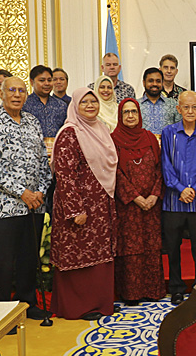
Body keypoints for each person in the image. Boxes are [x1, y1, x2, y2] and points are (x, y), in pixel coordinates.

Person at [0, 77, 51, 320]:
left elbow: (43, 160)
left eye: (22, 90)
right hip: (5, 206)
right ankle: (2, 314)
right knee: (2, 262)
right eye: (12, 90)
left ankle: (27, 304)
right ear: (1, 93)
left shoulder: (32, 121)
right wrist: (22, 193)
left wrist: (40, 190)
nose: (18, 94)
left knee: (29, 258)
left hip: (34, 206)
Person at [50, 87, 120, 320]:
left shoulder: (100, 129)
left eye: (94, 101)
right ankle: (79, 306)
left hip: (100, 205)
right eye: (85, 102)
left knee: (99, 254)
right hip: (79, 208)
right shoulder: (70, 133)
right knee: (79, 255)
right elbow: (65, 174)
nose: (90, 106)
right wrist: (75, 209)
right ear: (75, 106)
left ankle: (100, 302)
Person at [161, 91, 196, 305]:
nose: (190, 111)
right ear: (178, 109)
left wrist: (193, 189)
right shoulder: (168, 133)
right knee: (173, 248)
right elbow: (166, 166)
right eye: (186, 107)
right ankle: (176, 288)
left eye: (194, 107)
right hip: (173, 202)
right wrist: (180, 188)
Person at [113, 98, 165, 305]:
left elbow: (161, 168)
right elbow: (114, 172)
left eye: (134, 111)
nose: (130, 116)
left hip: (152, 204)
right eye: (126, 112)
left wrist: (154, 195)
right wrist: (135, 198)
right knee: (131, 248)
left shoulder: (150, 137)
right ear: (120, 115)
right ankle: (132, 294)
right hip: (128, 206)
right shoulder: (113, 139)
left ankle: (153, 290)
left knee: (151, 245)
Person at [23, 65, 69, 156]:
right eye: (42, 80)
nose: (47, 83)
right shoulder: (24, 104)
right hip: (32, 154)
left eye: (49, 80)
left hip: (57, 154)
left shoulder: (61, 105)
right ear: (32, 82)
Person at [139, 67, 181, 134]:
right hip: (143, 144)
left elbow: (180, 129)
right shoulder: (136, 105)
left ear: (162, 83)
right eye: (151, 81)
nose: (155, 84)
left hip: (168, 144)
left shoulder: (172, 104)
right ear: (144, 83)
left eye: (158, 81)